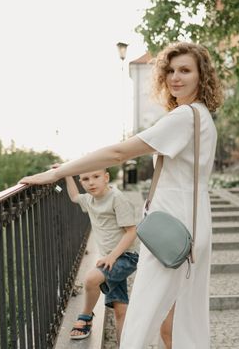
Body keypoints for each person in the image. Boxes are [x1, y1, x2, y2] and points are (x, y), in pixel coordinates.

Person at [20, 41, 222, 348]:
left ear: (201, 76)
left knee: (142, 318)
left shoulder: (184, 117)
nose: (175, 77)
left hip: (174, 227)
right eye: (170, 70)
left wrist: (58, 172)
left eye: (185, 70)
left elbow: (118, 153)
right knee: (185, 321)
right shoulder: (201, 115)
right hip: (192, 224)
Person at [56, 166, 139, 343]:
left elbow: (131, 232)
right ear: (81, 182)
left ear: (106, 177)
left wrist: (112, 256)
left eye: (96, 176)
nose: (91, 182)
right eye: (85, 179)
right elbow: (73, 197)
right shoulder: (89, 200)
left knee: (91, 279)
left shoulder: (117, 198)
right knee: (120, 309)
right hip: (111, 258)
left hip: (125, 256)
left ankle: (85, 317)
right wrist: (67, 174)